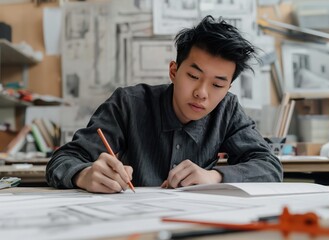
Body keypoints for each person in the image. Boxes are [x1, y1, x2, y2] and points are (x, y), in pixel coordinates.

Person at [46, 15, 283, 193]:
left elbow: (270, 167)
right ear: (174, 71)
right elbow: (63, 159)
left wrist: (214, 177)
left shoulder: (227, 110)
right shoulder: (128, 104)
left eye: (217, 85)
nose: (202, 93)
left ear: (228, 88)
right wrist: (84, 174)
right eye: (193, 76)